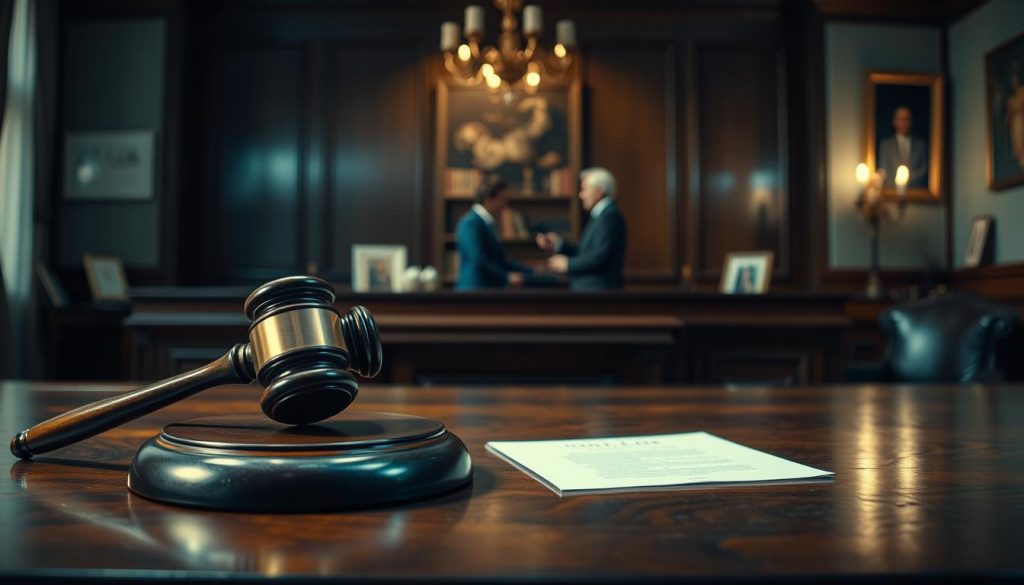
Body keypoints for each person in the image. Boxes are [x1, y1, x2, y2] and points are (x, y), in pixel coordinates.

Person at [535, 167, 626, 291]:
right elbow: (585, 253)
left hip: (598, 293)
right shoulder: (601, 215)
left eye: (584, 190)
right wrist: (558, 244)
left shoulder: (609, 216)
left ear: (598, 192)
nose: (581, 195)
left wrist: (567, 264)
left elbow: (599, 257)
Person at [454, 176, 530, 290]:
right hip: (474, 291)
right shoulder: (471, 222)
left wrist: (529, 271)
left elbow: (498, 261)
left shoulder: (487, 223)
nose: (505, 205)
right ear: (488, 199)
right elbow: (479, 259)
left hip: (487, 291)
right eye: (502, 199)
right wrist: (507, 277)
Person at [878, 106, 928, 189]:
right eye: (900, 119)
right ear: (894, 121)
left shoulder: (921, 145)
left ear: (911, 122)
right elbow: (883, 171)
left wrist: (906, 181)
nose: (903, 123)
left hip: (915, 193)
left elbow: (923, 171)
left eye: (906, 119)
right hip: (892, 193)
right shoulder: (885, 145)